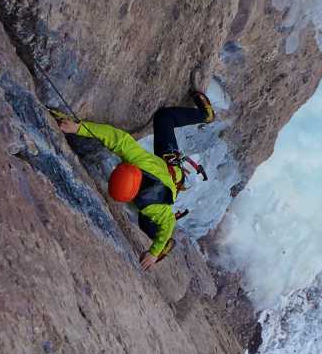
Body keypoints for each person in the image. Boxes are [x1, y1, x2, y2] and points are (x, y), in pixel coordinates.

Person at [55, 91, 215, 270]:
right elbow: (116, 138)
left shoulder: (150, 202)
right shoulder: (138, 164)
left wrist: (154, 253)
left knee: (148, 221)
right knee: (164, 118)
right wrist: (77, 128)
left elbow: (169, 222)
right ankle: (163, 242)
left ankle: (205, 115)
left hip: (168, 176)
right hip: (167, 174)